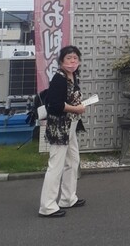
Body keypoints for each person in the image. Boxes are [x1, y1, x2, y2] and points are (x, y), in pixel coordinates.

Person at [38, 45, 87, 218]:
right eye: (69, 58)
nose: (72, 61)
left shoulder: (73, 76)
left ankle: (67, 198)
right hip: (59, 127)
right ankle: (47, 206)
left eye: (75, 58)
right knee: (56, 166)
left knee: (73, 161)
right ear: (61, 61)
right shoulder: (58, 79)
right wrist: (76, 109)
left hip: (70, 126)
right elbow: (55, 105)